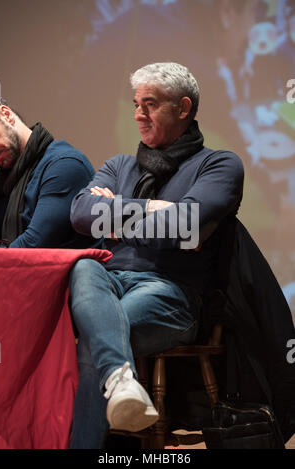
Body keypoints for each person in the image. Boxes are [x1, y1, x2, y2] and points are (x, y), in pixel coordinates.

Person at [69, 62, 244, 448]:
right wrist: (156, 209)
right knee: (83, 264)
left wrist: (116, 211)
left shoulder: (219, 165)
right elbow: (81, 214)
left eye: (150, 104)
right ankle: (121, 382)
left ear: (183, 108)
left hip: (170, 293)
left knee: (95, 338)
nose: (138, 115)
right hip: (107, 281)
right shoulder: (119, 165)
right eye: (135, 103)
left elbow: (185, 226)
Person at [0, 100, 95, 248]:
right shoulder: (1, 182)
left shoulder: (65, 165)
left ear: (6, 115)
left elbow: (34, 243)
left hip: (58, 270)